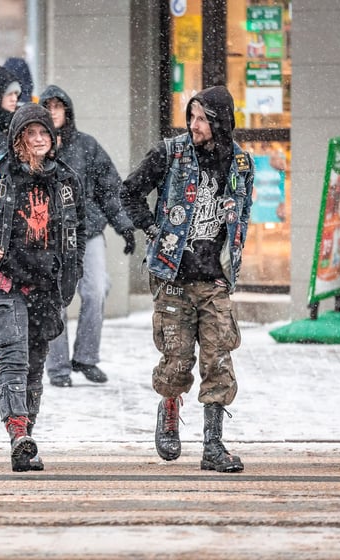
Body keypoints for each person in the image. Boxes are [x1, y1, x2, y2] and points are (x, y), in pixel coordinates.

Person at [120, 85, 254, 473]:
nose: (194, 125)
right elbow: (128, 192)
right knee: (177, 361)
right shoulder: (170, 153)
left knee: (219, 360)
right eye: (191, 117)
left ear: (220, 122)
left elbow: (242, 213)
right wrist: (152, 229)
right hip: (173, 276)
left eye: (202, 118)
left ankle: (213, 445)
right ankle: (169, 408)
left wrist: (234, 261)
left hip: (215, 279)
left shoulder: (241, 163)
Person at [0, 103, 86, 472]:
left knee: (35, 366)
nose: (39, 139)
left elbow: (79, 231)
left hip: (46, 287)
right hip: (2, 283)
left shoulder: (67, 179)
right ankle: (17, 434)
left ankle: (26, 436)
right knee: (13, 357)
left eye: (44, 132)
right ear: (17, 139)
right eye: (31, 133)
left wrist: (71, 274)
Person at [38, 85, 136, 388]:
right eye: (48, 106)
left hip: (87, 231)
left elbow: (110, 190)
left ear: (67, 111)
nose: (54, 111)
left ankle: (86, 357)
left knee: (94, 292)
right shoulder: (34, 147)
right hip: (49, 236)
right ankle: (58, 368)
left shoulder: (86, 146)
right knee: (54, 299)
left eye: (58, 106)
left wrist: (124, 226)